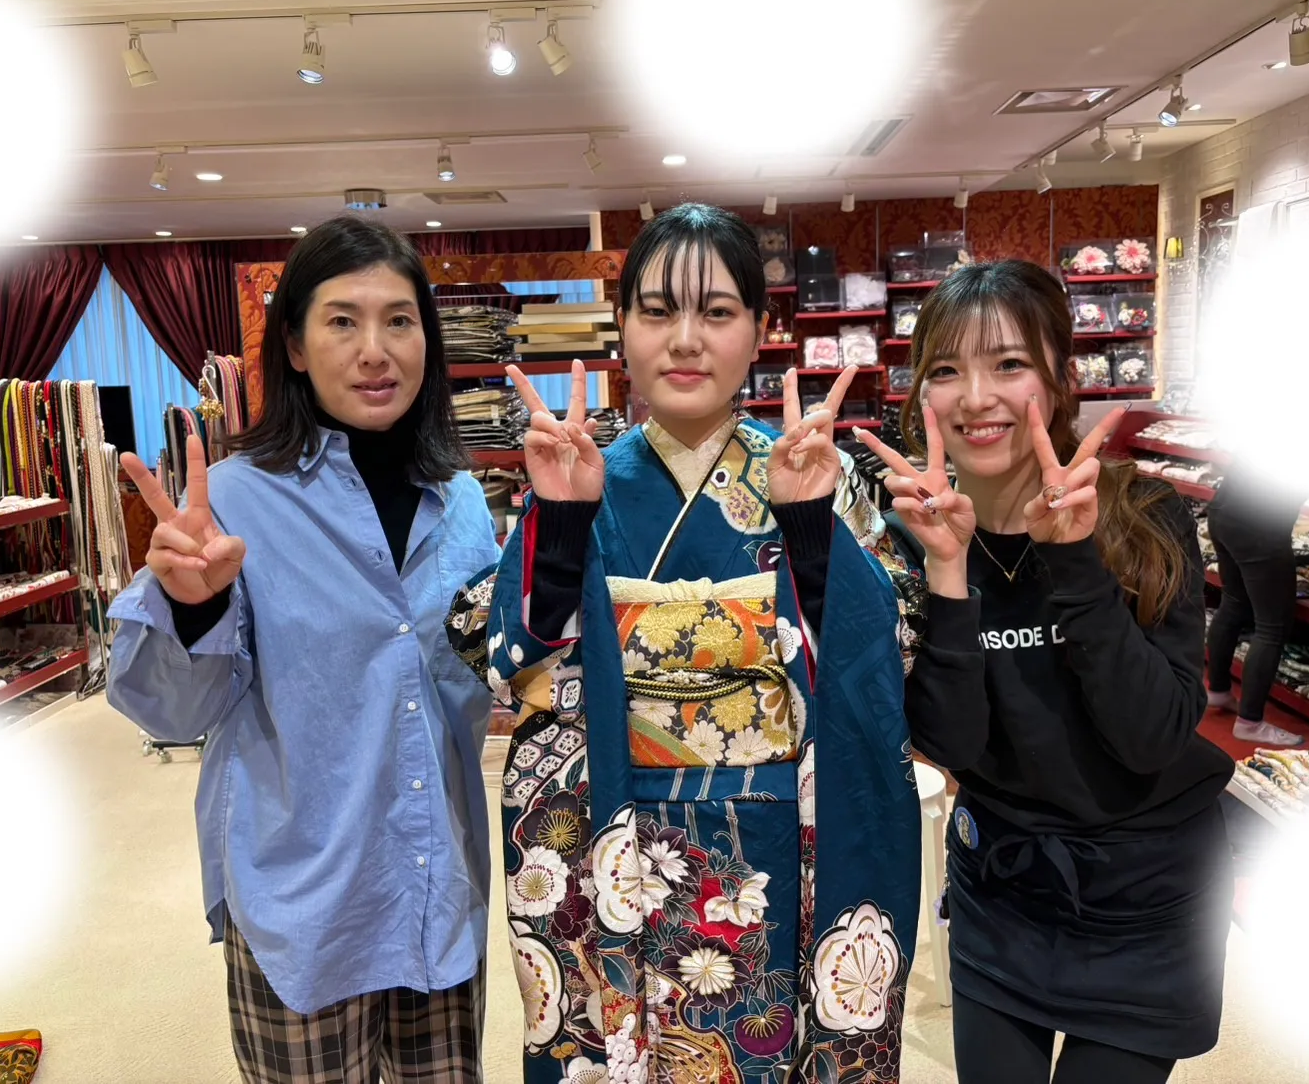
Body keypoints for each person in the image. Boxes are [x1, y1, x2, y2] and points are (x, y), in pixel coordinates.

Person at [445, 203, 927, 1083]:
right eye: (658, 310)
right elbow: (513, 660)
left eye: (716, 311)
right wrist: (559, 521)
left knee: (758, 1044)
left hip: (775, 838)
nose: (685, 338)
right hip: (615, 839)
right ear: (622, 329)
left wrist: (809, 524)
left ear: (758, 331)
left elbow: (882, 655)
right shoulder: (585, 475)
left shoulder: (809, 472)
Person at [107, 213, 498, 1084]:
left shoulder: (463, 499)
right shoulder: (234, 501)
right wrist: (189, 605)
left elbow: (492, 668)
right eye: (342, 320)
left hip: (438, 881)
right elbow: (166, 709)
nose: (375, 349)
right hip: (305, 899)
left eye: (399, 320)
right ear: (292, 344)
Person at [855, 259, 1235, 1084]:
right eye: (947, 370)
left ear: (1061, 380)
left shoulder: (1138, 510)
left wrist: (1074, 563)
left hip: (1148, 894)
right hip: (1005, 888)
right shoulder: (914, 540)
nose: (976, 396)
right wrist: (949, 576)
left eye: (1008, 364)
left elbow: (1151, 735)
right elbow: (952, 742)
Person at [1204, 469, 1306, 745]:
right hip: (1261, 525)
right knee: (1273, 626)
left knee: (1233, 603)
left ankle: (1218, 691)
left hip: (1225, 510)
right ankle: (1249, 722)